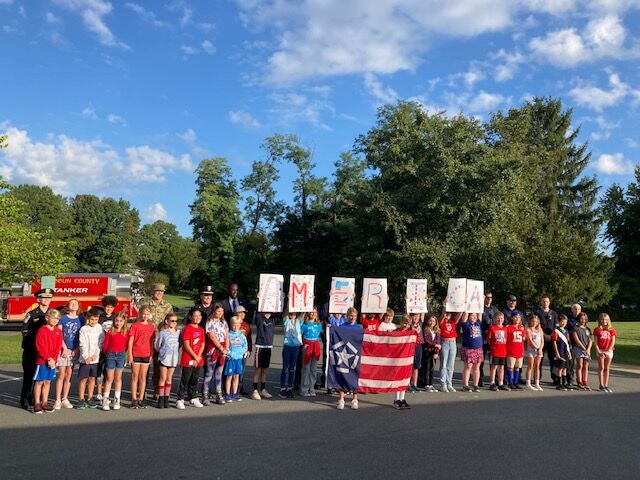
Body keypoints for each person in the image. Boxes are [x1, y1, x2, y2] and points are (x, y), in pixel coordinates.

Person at [20, 288, 54, 410]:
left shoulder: (52, 314)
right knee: (29, 375)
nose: (47, 300)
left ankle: (36, 400)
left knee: (41, 376)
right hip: (31, 350)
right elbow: (24, 330)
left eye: (49, 298)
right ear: (38, 299)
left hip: (45, 351)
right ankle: (25, 398)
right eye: (44, 297)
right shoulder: (32, 314)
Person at [143, 284, 173, 398]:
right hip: (148, 339)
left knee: (159, 366)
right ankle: (142, 389)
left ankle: (157, 389)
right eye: (157, 291)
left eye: (161, 291)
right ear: (152, 292)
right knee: (145, 365)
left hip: (162, 340)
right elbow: (140, 320)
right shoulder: (146, 305)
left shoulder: (167, 306)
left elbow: (171, 322)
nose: (159, 293)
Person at [54, 298, 83, 410]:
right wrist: (64, 348)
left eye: (76, 303)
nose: (74, 305)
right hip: (63, 349)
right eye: (72, 303)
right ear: (68, 306)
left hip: (74, 349)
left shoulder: (81, 319)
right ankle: (57, 399)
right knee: (61, 373)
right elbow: (59, 334)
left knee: (69, 374)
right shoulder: (63, 318)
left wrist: (77, 348)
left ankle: (64, 398)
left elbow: (82, 334)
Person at [33, 309, 63, 414]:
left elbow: (58, 346)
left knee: (48, 381)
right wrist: (48, 358)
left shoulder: (58, 331)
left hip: (52, 361)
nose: (55, 320)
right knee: (39, 381)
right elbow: (39, 346)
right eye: (53, 318)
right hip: (42, 361)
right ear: (47, 318)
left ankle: (45, 402)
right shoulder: (42, 330)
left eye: (57, 318)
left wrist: (54, 359)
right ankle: (37, 403)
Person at [176, 308, 205, 409]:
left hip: (198, 359)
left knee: (195, 379)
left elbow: (202, 344)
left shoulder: (201, 330)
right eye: (195, 316)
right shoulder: (187, 328)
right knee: (185, 379)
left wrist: (198, 357)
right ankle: (180, 398)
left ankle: (193, 397)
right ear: (190, 317)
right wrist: (194, 356)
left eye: (199, 316)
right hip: (188, 358)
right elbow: (186, 344)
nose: (197, 318)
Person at [128, 306, 156, 409]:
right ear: (140, 314)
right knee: (135, 376)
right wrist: (130, 355)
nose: (145, 316)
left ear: (149, 315)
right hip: (136, 353)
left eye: (147, 314)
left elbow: (152, 342)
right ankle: (134, 399)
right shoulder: (135, 326)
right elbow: (131, 341)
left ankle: (141, 398)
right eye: (143, 314)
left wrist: (152, 354)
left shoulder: (151, 327)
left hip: (146, 354)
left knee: (143, 377)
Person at [77, 308, 104, 409]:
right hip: (85, 359)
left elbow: (100, 343)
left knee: (92, 378)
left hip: (95, 359)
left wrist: (95, 355)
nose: (94, 322)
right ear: (88, 318)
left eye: (96, 319)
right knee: (83, 378)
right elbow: (82, 344)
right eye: (92, 319)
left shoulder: (99, 328)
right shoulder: (84, 329)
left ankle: (90, 397)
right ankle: (81, 398)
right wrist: (86, 357)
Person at [101, 311, 128, 411]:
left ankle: (117, 399)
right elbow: (105, 346)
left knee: (118, 378)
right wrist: (108, 353)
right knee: (109, 378)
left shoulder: (126, 332)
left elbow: (126, 345)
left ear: (124, 321)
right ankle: (105, 399)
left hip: (120, 355)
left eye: (121, 321)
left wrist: (123, 354)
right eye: (117, 321)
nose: (118, 323)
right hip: (111, 355)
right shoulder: (110, 332)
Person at [203, 303, 229, 405]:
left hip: (222, 350)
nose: (220, 313)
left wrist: (226, 348)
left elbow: (226, 335)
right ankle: (205, 394)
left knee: (219, 373)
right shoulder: (210, 322)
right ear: (214, 311)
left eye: (222, 311)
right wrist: (220, 347)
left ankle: (219, 394)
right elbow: (211, 336)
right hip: (213, 349)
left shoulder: (224, 322)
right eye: (218, 311)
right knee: (209, 373)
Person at [337, 307, 362, 410]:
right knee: (343, 375)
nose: (352, 317)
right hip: (344, 355)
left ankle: (354, 399)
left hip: (355, 356)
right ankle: (341, 399)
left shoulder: (359, 328)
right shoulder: (342, 327)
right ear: (347, 316)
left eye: (354, 316)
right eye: (350, 315)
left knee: (355, 376)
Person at [154, 313, 180, 408]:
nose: (174, 323)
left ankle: (166, 398)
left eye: (176, 321)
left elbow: (179, 344)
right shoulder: (163, 332)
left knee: (169, 379)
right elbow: (157, 345)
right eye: (172, 321)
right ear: (167, 321)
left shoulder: (178, 332)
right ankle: (160, 398)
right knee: (163, 378)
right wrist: (162, 352)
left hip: (173, 359)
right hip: (164, 358)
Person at [96, 295, 118, 402]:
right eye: (107, 307)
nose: (109, 309)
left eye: (111, 307)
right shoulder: (100, 318)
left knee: (108, 371)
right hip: (100, 347)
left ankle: (106, 392)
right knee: (99, 370)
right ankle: (99, 393)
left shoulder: (116, 318)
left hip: (112, 348)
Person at [535, 296, 559, 385]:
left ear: (549, 302)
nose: (545, 303)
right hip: (541, 339)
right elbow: (536, 325)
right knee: (539, 359)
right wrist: (544, 335)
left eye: (547, 301)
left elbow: (556, 326)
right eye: (543, 301)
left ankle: (555, 377)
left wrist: (551, 335)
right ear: (541, 302)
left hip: (552, 339)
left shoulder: (554, 313)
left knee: (553, 359)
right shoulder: (537, 313)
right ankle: (538, 378)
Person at [224, 316, 249, 402]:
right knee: (229, 377)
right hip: (231, 359)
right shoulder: (228, 335)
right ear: (231, 325)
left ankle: (235, 393)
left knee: (236, 376)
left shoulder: (242, 335)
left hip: (239, 359)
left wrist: (241, 353)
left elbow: (245, 345)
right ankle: (227, 393)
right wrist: (230, 354)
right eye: (234, 325)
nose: (236, 326)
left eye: (238, 325)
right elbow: (226, 347)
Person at [252, 310, 275, 400]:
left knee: (264, 370)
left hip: (268, 346)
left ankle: (263, 389)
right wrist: (259, 299)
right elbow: (258, 311)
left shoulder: (273, 319)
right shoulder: (260, 318)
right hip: (260, 346)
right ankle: (255, 390)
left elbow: (278, 308)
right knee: (258, 369)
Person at [280, 309, 303, 398]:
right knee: (285, 368)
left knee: (292, 369)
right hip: (287, 346)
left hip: (296, 347)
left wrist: (309, 299)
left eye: (294, 313)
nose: (292, 314)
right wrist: (289, 301)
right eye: (291, 313)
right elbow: (285, 313)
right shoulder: (286, 321)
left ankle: (290, 388)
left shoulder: (299, 321)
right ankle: (282, 388)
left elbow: (303, 312)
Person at [439, 306, 463, 392]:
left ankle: (449, 383)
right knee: (444, 364)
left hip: (453, 342)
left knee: (451, 365)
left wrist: (462, 305)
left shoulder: (452, 322)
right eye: (447, 314)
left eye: (449, 314)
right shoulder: (441, 322)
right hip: (444, 342)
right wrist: (445, 307)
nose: (447, 315)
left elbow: (459, 314)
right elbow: (442, 315)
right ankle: (443, 384)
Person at [300, 307, 323, 396]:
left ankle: (311, 388)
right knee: (306, 368)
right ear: (309, 313)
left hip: (315, 346)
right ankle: (304, 389)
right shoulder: (305, 323)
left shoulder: (318, 324)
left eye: (315, 312)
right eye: (311, 312)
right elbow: (300, 334)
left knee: (313, 369)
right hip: (307, 345)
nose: (313, 314)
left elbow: (319, 334)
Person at [460, 311, 484, 392]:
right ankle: (465, 385)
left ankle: (475, 384)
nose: (473, 317)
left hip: (478, 348)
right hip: (468, 348)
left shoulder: (478, 323)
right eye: (472, 315)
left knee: (477, 367)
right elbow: (464, 317)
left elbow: (480, 312)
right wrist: (467, 308)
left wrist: (480, 302)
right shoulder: (466, 324)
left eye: (475, 315)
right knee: (468, 367)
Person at [594, 313, 616, 392]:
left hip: (608, 351)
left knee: (607, 368)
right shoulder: (597, 329)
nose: (604, 321)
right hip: (600, 350)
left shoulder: (611, 330)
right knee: (601, 368)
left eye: (606, 319)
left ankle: (606, 385)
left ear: (608, 320)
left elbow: (613, 341)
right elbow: (595, 342)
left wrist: (609, 349)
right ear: (600, 320)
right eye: (602, 319)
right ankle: (601, 385)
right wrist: (599, 351)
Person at [488, 311, 509, 391]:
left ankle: (501, 383)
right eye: (498, 318)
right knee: (494, 367)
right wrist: (493, 347)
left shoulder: (505, 328)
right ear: (495, 319)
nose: (500, 320)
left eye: (501, 318)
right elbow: (489, 339)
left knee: (501, 368)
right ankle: (492, 383)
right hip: (495, 351)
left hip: (503, 351)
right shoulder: (492, 328)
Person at [480, 291, 498, 386]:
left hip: (492, 338)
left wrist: (491, 322)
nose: (489, 299)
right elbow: (487, 322)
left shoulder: (494, 309)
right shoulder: (479, 308)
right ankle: (479, 377)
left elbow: (497, 321)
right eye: (487, 297)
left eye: (490, 297)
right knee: (481, 359)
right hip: (482, 336)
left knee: (493, 359)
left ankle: (493, 379)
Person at [572, 312, 593, 391]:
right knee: (580, 365)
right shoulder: (575, 328)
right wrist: (583, 348)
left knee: (586, 366)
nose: (583, 320)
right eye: (581, 319)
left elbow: (590, 340)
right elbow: (576, 340)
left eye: (584, 319)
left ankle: (585, 382)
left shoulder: (587, 329)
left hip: (587, 350)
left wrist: (588, 349)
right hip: (578, 348)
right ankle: (579, 382)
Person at [235, 305, 252, 395]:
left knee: (242, 370)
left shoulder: (246, 325)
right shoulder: (232, 323)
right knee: (233, 370)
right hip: (234, 351)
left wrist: (249, 349)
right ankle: (229, 389)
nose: (242, 314)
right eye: (240, 312)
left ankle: (240, 388)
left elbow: (249, 339)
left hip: (243, 351)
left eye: (243, 313)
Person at [552, 314, 572, 391]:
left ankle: (564, 383)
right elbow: (554, 342)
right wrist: (557, 353)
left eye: (565, 322)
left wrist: (569, 353)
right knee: (560, 368)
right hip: (560, 351)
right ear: (559, 322)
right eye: (562, 322)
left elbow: (568, 342)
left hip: (566, 352)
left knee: (565, 368)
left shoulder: (566, 331)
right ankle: (559, 384)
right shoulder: (556, 331)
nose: (564, 323)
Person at [506, 312, 525, 389]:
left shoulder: (521, 327)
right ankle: (510, 382)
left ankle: (515, 382)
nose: (517, 319)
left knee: (517, 367)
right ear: (512, 318)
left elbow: (523, 339)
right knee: (510, 367)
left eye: (519, 317)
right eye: (515, 317)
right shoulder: (508, 327)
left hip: (519, 350)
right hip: (511, 350)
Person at [525, 314, 544, 391]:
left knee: (537, 367)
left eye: (536, 321)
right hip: (531, 350)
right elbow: (530, 340)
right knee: (530, 366)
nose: (534, 323)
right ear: (530, 321)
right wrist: (536, 348)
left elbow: (542, 341)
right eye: (533, 321)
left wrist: (540, 348)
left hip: (539, 350)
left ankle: (537, 383)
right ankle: (528, 383)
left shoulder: (540, 330)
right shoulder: (528, 329)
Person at [421, 315, 440, 392]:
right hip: (427, 351)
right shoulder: (426, 330)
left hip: (434, 351)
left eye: (433, 321)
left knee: (432, 368)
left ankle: (431, 384)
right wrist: (434, 345)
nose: (432, 322)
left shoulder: (437, 331)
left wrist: (436, 351)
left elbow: (438, 341)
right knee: (427, 367)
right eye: (430, 321)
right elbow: (427, 341)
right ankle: (426, 384)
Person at [565, 303, 581, 386]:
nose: (577, 310)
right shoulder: (568, 318)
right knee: (570, 362)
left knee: (580, 363)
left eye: (578, 309)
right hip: (570, 342)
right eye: (575, 309)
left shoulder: (582, 318)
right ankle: (570, 379)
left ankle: (580, 381)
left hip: (579, 343)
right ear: (572, 310)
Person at [408, 312, 424, 392]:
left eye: (417, 316)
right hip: (411, 346)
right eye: (414, 316)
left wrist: (423, 301)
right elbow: (407, 315)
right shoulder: (409, 324)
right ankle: (408, 384)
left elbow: (423, 313)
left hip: (418, 346)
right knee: (410, 366)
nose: (416, 318)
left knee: (416, 366)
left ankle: (414, 384)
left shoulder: (420, 323)